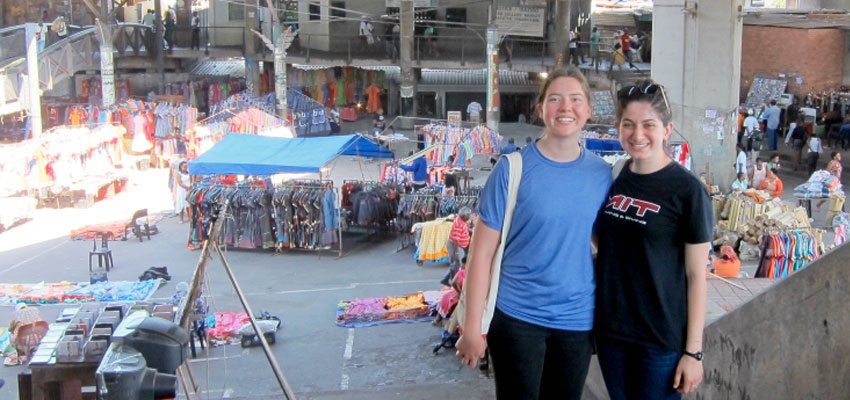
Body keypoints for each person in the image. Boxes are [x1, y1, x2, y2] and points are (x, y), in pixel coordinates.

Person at [456, 66, 612, 399]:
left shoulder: (602, 175)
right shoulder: (511, 169)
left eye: (575, 99)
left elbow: (608, 243)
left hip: (576, 319)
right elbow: (481, 254)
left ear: (588, 110)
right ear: (540, 109)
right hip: (516, 317)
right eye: (555, 99)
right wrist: (472, 328)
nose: (565, 108)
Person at [595, 79, 712, 399]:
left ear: (667, 129)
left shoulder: (688, 191)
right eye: (628, 124)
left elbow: (696, 275)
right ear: (618, 127)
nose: (637, 134)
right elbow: (600, 241)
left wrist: (694, 352)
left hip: (661, 340)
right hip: (612, 333)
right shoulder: (616, 175)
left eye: (648, 125)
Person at [442, 207, 472, 286]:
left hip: (460, 246)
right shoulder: (459, 224)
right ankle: (453, 281)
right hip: (456, 246)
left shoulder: (460, 219)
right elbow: (456, 240)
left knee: (455, 264)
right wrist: (456, 252)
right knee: (458, 264)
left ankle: (446, 279)